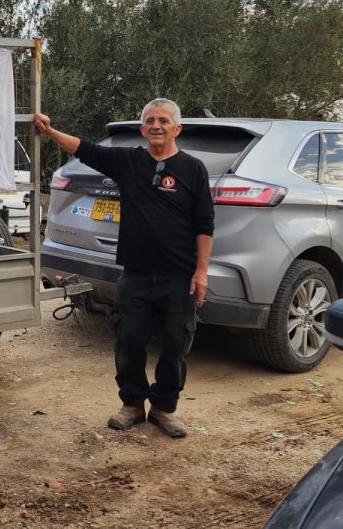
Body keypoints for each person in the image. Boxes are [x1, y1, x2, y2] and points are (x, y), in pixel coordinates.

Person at [34, 98, 214, 438]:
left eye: (163, 120)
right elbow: (84, 149)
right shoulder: (129, 161)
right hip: (135, 273)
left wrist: (201, 272)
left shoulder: (193, 169)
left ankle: (164, 409)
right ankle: (132, 404)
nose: (156, 125)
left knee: (175, 347)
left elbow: (205, 224)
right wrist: (49, 129)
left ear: (177, 128)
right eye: (150, 120)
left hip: (179, 277)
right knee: (128, 343)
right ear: (143, 128)